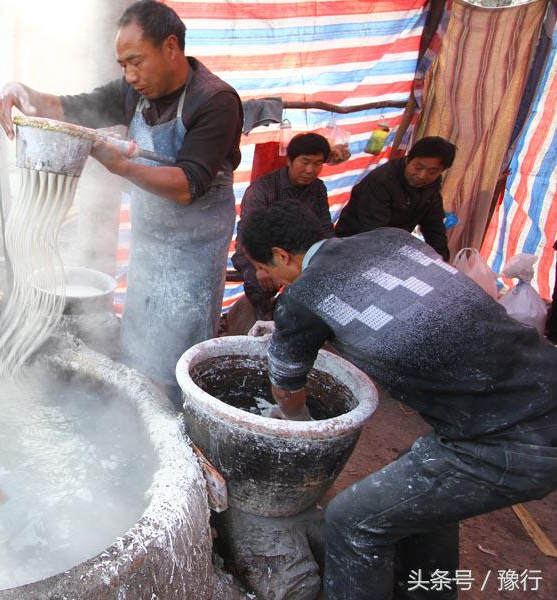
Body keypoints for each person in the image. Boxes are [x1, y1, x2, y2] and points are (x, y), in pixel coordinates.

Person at [237, 201, 557, 599]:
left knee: (351, 520)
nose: (264, 278)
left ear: (283, 255)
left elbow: (285, 387)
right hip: (543, 383)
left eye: (263, 267)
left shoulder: (303, 295)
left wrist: (296, 417)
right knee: (415, 489)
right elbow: (397, 312)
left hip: (507, 439)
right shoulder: (392, 239)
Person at [0, 0, 242, 399]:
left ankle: (176, 423)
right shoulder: (134, 90)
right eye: (122, 65)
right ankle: (138, 418)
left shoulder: (214, 101)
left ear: (171, 47)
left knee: (176, 359)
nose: (129, 75)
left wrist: (120, 166)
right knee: (138, 343)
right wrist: (19, 91)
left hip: (194, 254)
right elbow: (70, 107)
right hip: (149, 245)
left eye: (136, 61)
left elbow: (188, 184)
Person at [231, 132, 333, 319]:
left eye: (317, 163)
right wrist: (260, 267)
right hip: (257, 253)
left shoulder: (318, 188)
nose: (310, 169)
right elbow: (246, 237)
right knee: (259, 282)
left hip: (296, 253)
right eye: (305, 162)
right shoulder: (262, 189)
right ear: (289, 160)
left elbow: (325, 229)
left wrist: (327, 259)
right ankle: (265, 319)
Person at [336, 136, 456, 261]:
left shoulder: (432, 185)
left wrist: (441, 262)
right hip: (353, 246)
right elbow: (374, 232)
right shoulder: (382, 181)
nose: (422, 176)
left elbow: (434, 227)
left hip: (392, 248)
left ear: (442, 170)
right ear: (408, 159)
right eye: (418, 168)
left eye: (432, 172)